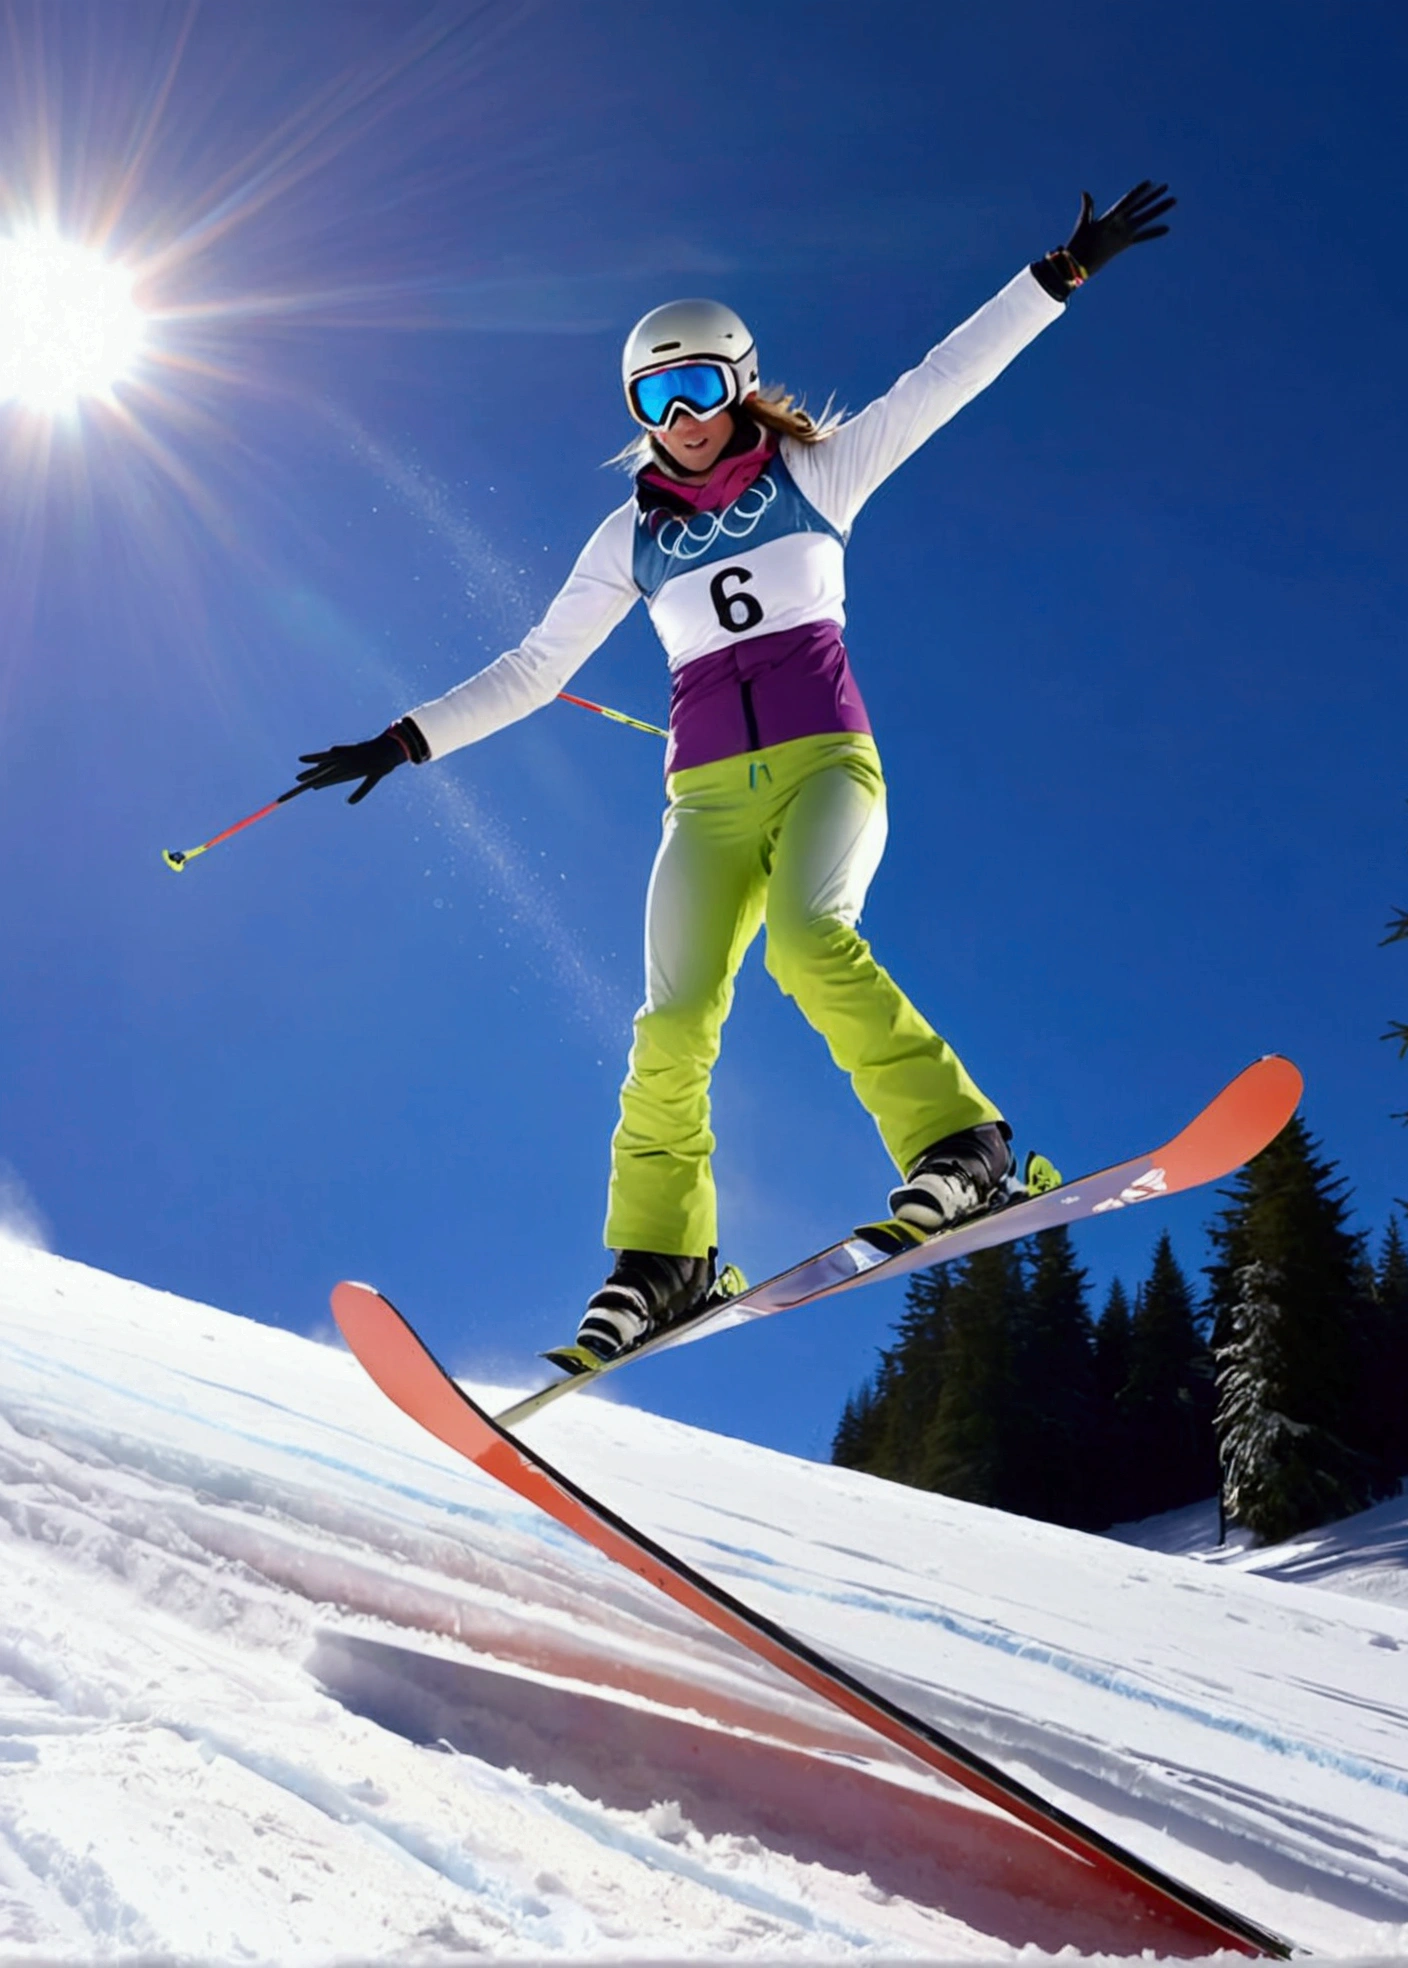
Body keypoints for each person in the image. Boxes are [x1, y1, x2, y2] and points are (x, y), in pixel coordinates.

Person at [298, 181, 1174, 1361]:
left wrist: (1056, 275)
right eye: (657, 395)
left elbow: (941, 381)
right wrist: (404, 740)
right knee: (670, 1021)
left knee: (811, 941)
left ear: (739, 380)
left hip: (826, 767)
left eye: (701, 385)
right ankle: (663, 1263)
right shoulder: (627, 538)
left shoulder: (821, 473)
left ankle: (960, 1150)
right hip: (702, 801)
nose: (684, 414)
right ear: (637, 409)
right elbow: (532, 665)